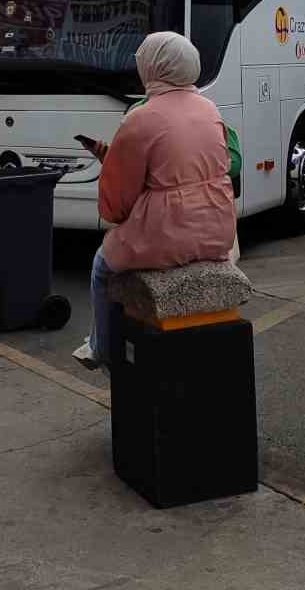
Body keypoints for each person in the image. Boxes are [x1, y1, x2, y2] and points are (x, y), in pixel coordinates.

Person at [73, 33, 237, 372]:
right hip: (219, 227)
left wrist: (118, 212)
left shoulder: (142, 117)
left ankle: (100, 346)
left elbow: (119, 199)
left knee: (101, 266)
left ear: (153, 67)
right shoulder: (209, 108)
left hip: (168, 233)